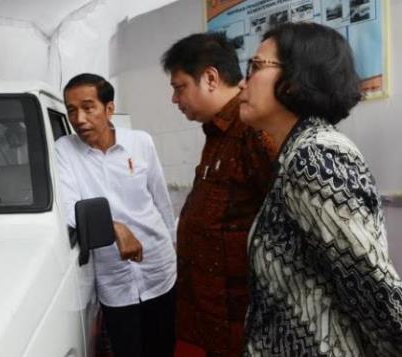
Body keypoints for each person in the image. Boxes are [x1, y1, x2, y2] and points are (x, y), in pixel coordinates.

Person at [238, 22, 402, 356]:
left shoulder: (315, 155)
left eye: (255, 67)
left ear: (297, 79)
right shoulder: (296, 152)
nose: (244, 81)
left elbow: (370, 286)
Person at [161, 33, 274, 356]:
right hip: (212, 320)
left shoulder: (254, 128)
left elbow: (285, 225)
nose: (174, 99)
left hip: (243, 324)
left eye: (179, 86)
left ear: (210, 78)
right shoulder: (218, 131)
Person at [56, 73, 176, 357]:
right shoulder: (65, 151)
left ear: (109, 109)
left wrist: (173, 245)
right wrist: (114, 228)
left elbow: (161, 198)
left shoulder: (140, 142)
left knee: (162, 347)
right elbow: (70, 207)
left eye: (88, 107)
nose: (79, 119)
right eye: (71, 110)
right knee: (126, 350)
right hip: (114, 278)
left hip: (158, 267)